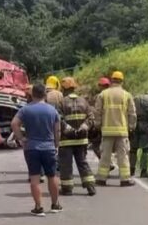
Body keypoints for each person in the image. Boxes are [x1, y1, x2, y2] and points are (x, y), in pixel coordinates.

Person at [11, 83, 63, 216]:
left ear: (32, 94)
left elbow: (14, 123)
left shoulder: (25, 110)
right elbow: (57, 130)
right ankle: (55, 204)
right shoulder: (52, 110)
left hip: (31, 148)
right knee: (52, 176)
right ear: (45, 94)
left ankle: (39, 207)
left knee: (34, 178)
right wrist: (56, 144)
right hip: (49, 147)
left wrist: (21, 138)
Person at [95, 71, 136, 187]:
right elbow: (132, 113)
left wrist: (98, 125)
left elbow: (97, 112)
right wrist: (131, 127)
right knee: (123, 156)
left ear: (112, 80)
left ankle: (101, 179)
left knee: (105, 155)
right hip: (122, 131)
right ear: (122, 81)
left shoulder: (103, 94)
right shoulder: (127, 95)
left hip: (107, 130)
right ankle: (125, 179)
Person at [56, 77, 96, 196]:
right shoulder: (83, 101)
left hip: (66, 140)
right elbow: (91, 118)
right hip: (81, 139)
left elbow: (58, 118)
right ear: (74, 87)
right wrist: (83, 128)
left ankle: (67, 189)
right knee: (83, 163)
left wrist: (68, 129)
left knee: (66, 164)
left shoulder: (61, 102)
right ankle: (91, 187)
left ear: (63, 88)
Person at [89, 77, 111, 161]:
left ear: (100, 86)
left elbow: (96, 111)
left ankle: (108, 163)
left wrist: (96, 125)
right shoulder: (113, 96)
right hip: (115, 124)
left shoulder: (99, 96)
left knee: (96, 146)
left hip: (102, 124)